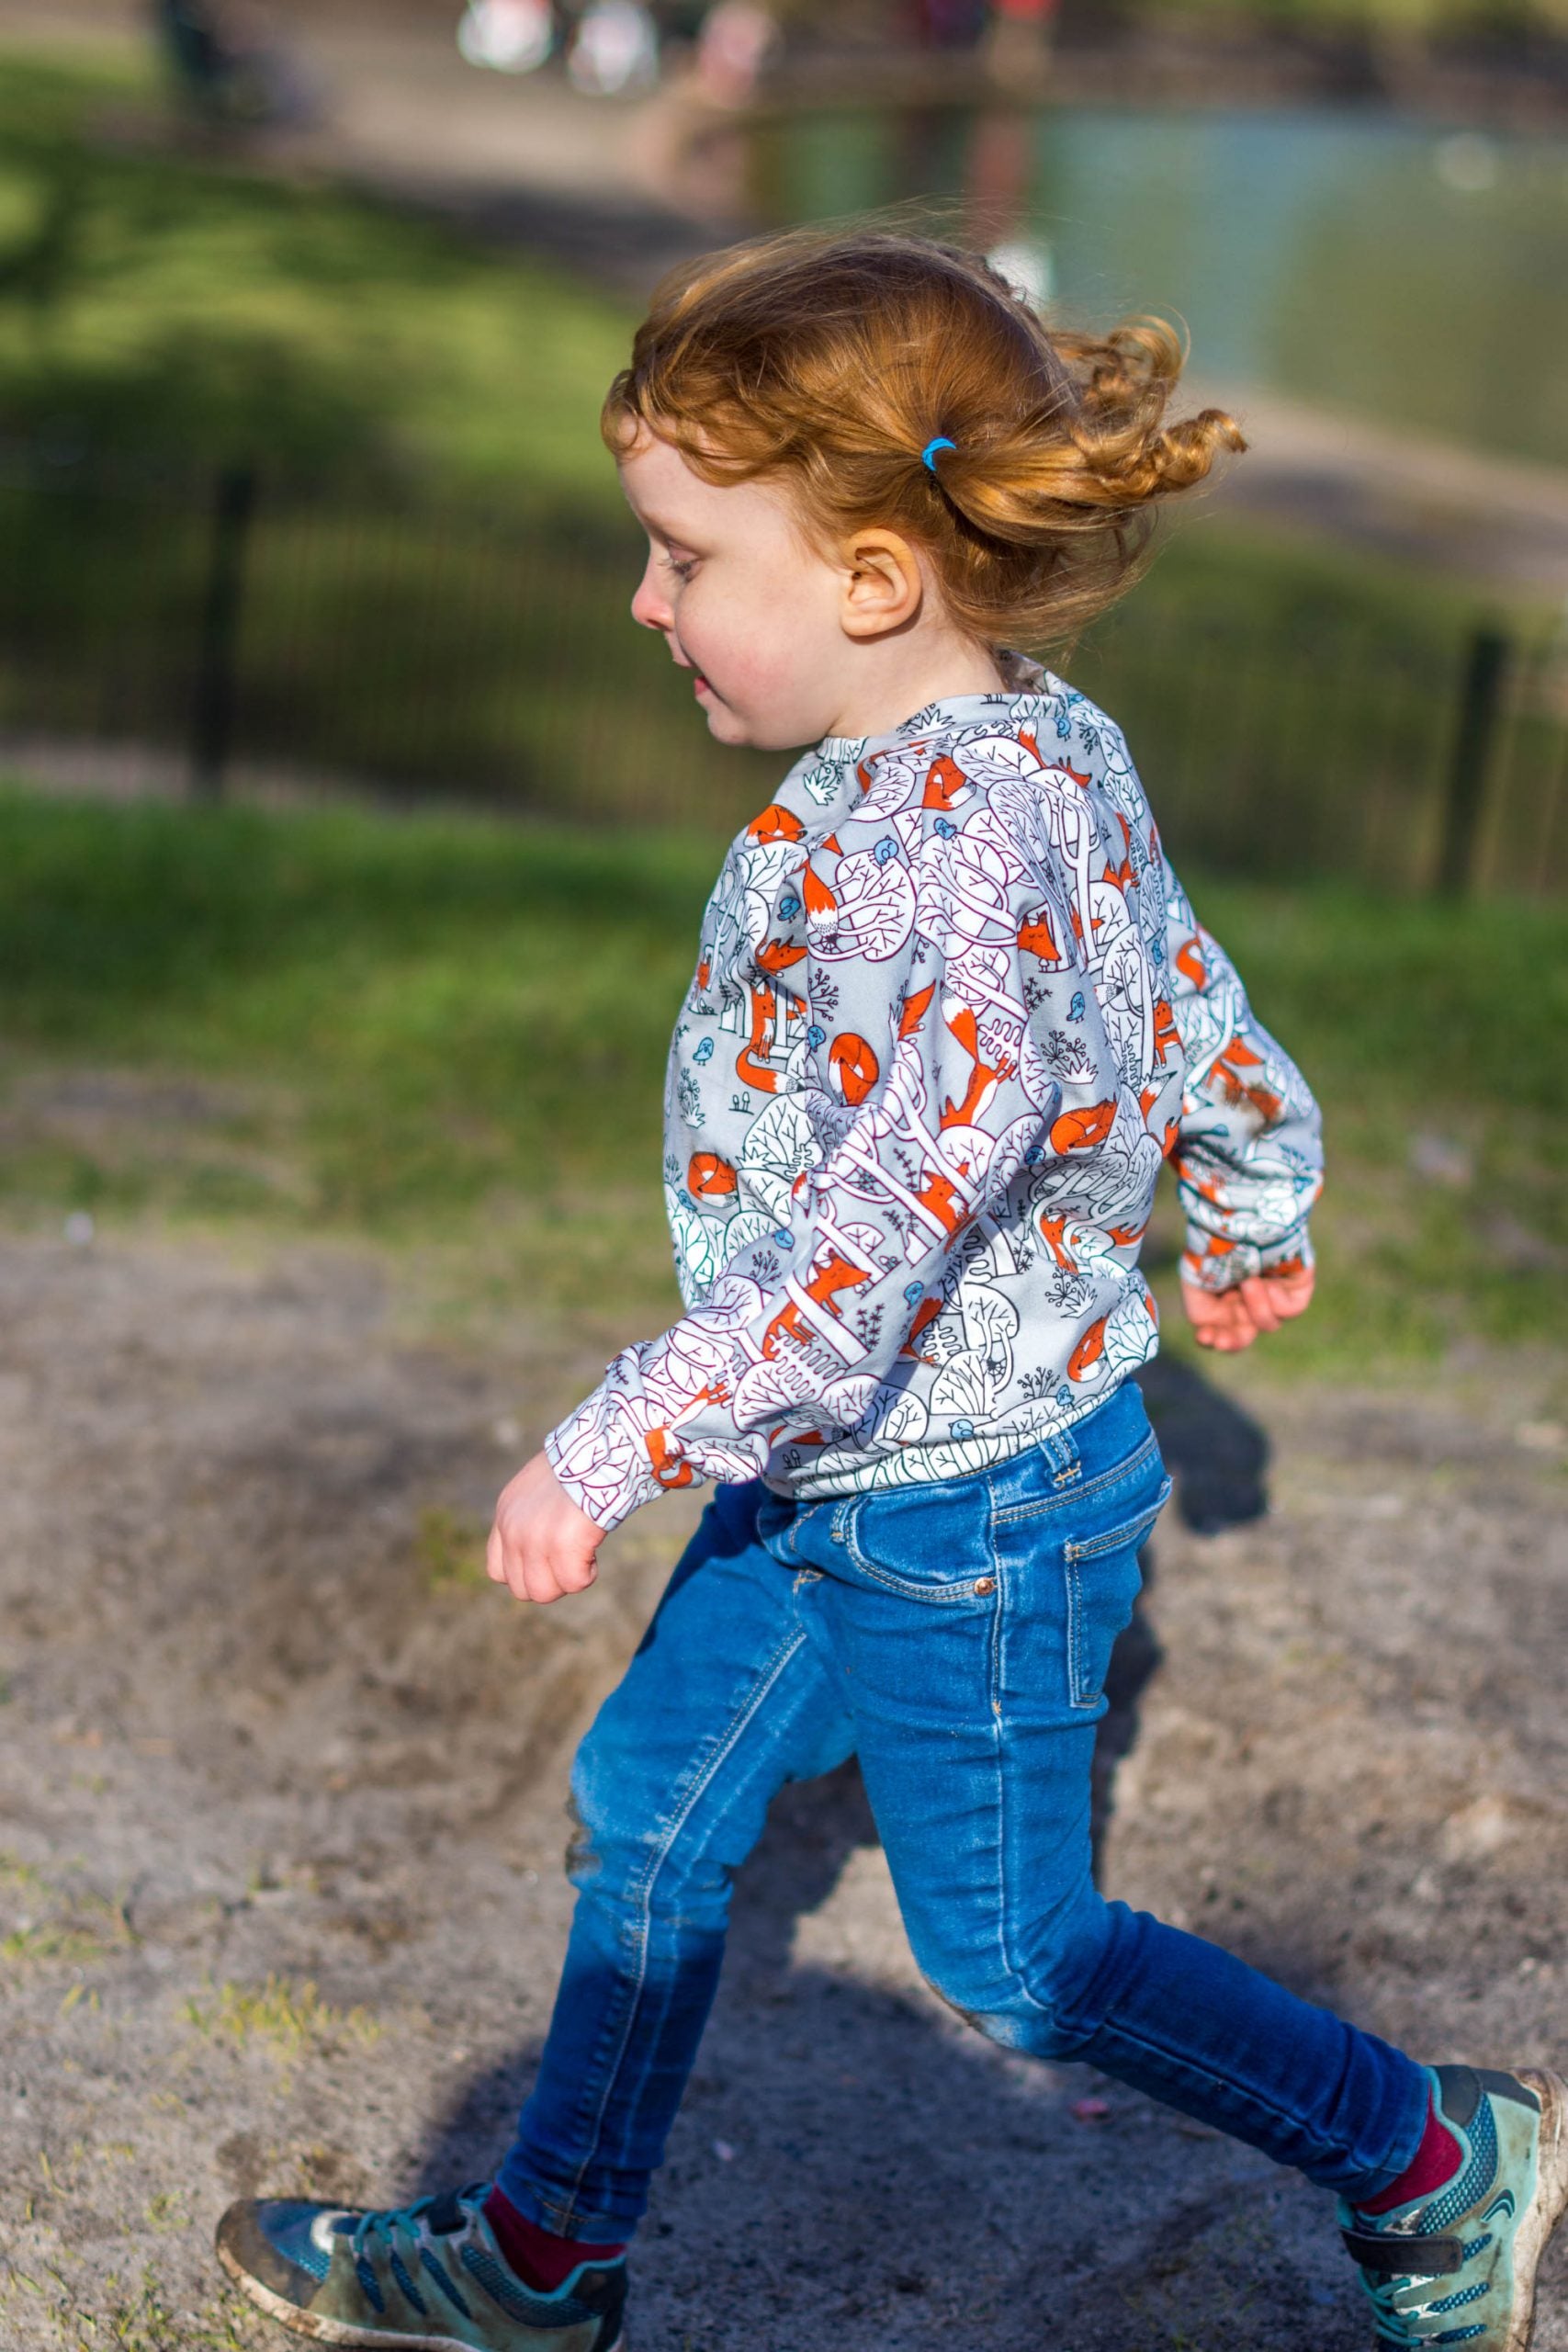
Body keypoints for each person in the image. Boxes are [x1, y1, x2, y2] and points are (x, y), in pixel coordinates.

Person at [214, 229, 1566, 2352]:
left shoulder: (943, 865)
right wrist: (1256, 1178)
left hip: (970, 1513)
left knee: (1016, 1956)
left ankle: (1428, 2155)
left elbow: (860, 1256)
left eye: (676, 557)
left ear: (864, 580)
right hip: (841, 1467)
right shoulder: (1031, 742)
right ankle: (548, 2258)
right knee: (648, 1799)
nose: (640, 600)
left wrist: (609, 1434)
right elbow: (1178, 982)